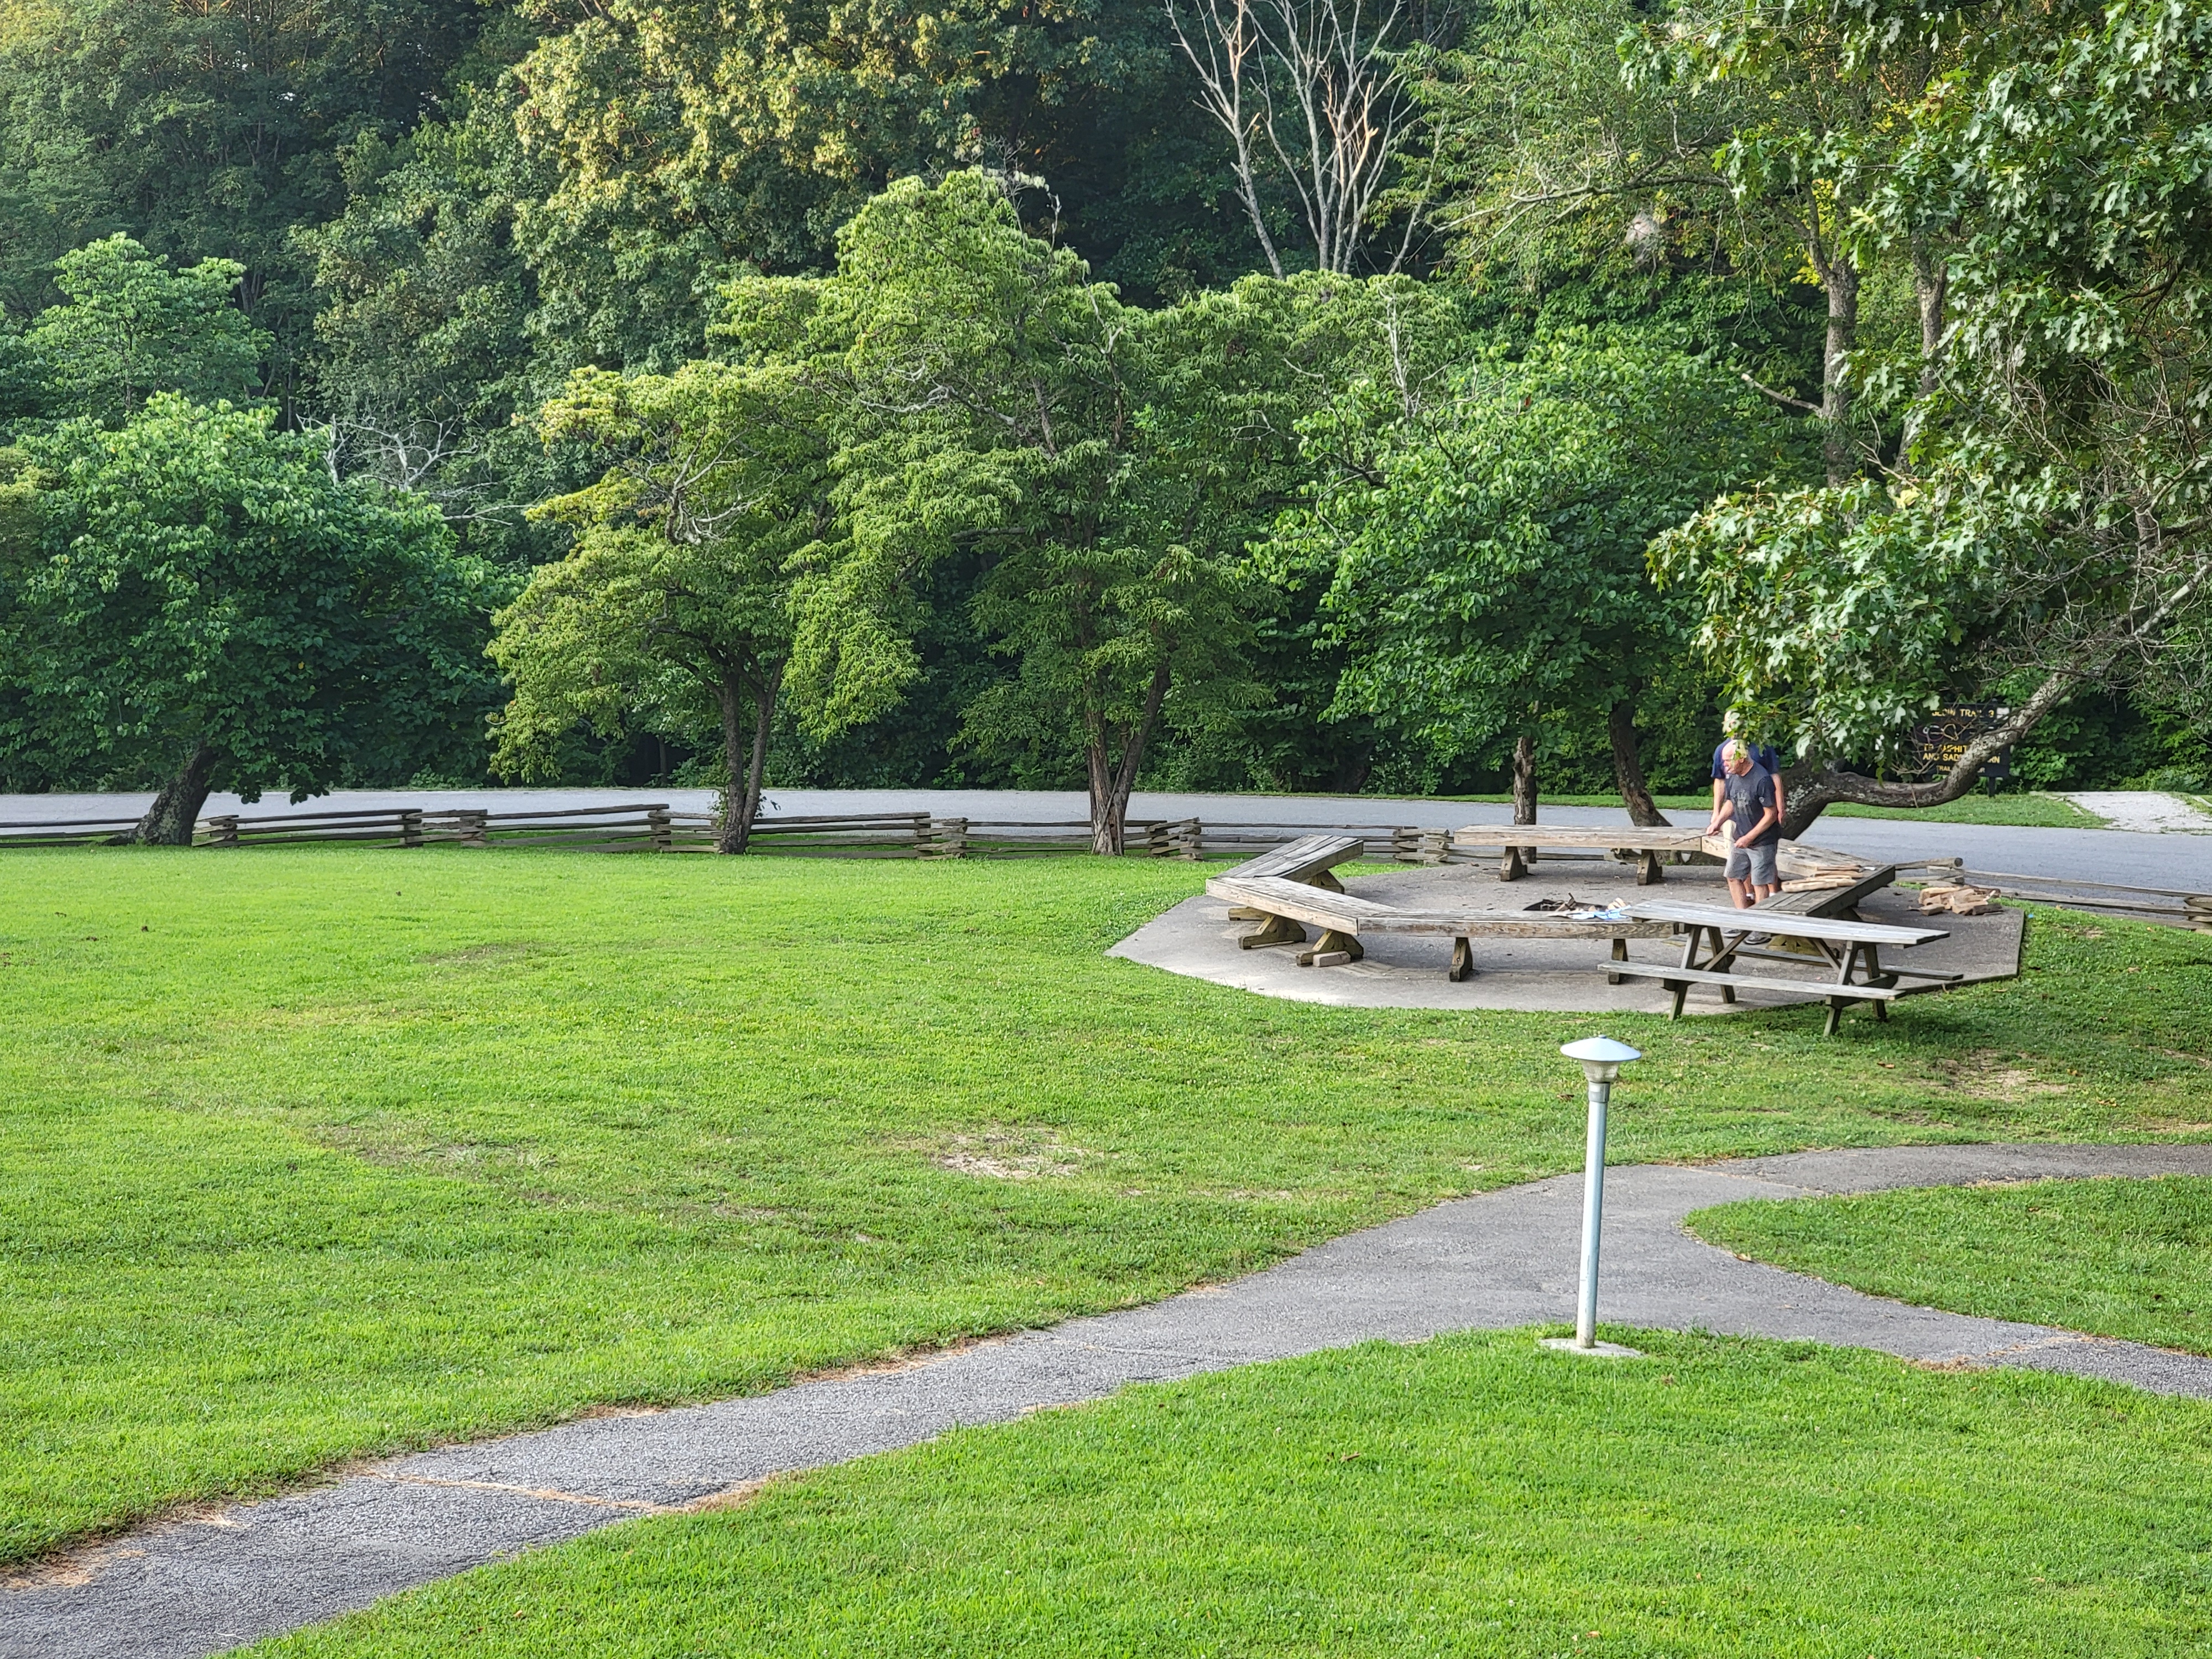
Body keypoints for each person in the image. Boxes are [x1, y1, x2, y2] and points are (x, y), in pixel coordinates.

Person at [1707, 739, 1784, 910]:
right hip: (1740, 836)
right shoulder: (1734, 776)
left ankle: (1759, 928)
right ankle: (1741, 919)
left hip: (1762, 841)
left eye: (1728, 761)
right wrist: (1718, 822)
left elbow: (1771, 815)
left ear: (1741, 758)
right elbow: (1731, 803)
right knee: (1733, 876)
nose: (1725, 766)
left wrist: (1749, 837)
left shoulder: (1762, 779)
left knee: (1759, 883)